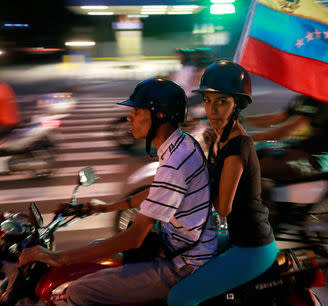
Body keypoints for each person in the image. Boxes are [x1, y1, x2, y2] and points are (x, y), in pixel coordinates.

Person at [18, 78, 217, 305]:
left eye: (138, 111)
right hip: (179, 249)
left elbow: (134, 237)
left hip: (182, 264)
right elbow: (157, 194)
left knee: (79, 290)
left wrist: (56, 257)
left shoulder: (174, 164)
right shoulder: (182, 144)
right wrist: (103, 207)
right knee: (97, 248)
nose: (129, 117)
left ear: (160, 115)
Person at [168, 61, 277, 306]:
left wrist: (188, 188)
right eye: (207, 100)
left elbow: (223, 207)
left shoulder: (238, 146)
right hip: (237, 236)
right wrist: (212, 147)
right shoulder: (225, 140)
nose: (212, 110)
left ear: (237, 105)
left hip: (251, 246)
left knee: (180, 298)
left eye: (222, 101)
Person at [244, 94, 328, 182]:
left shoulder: (320, 102)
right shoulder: (302, 99)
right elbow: (277, 118)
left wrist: (253, 138)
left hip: (318, 159)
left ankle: (258, 201)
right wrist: (244, 120)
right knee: (260, 153)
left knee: (256, 168)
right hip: (303, 150)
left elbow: (291, 130)